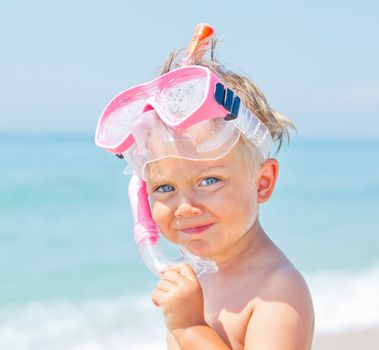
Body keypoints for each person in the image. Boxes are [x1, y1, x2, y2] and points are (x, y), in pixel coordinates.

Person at [95, 25, 314, 350]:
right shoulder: (199, 278)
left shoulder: (278, 291)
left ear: (262, 182)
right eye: (165, 188)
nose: (185, 206)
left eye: (209, 181)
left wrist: (189, 327)